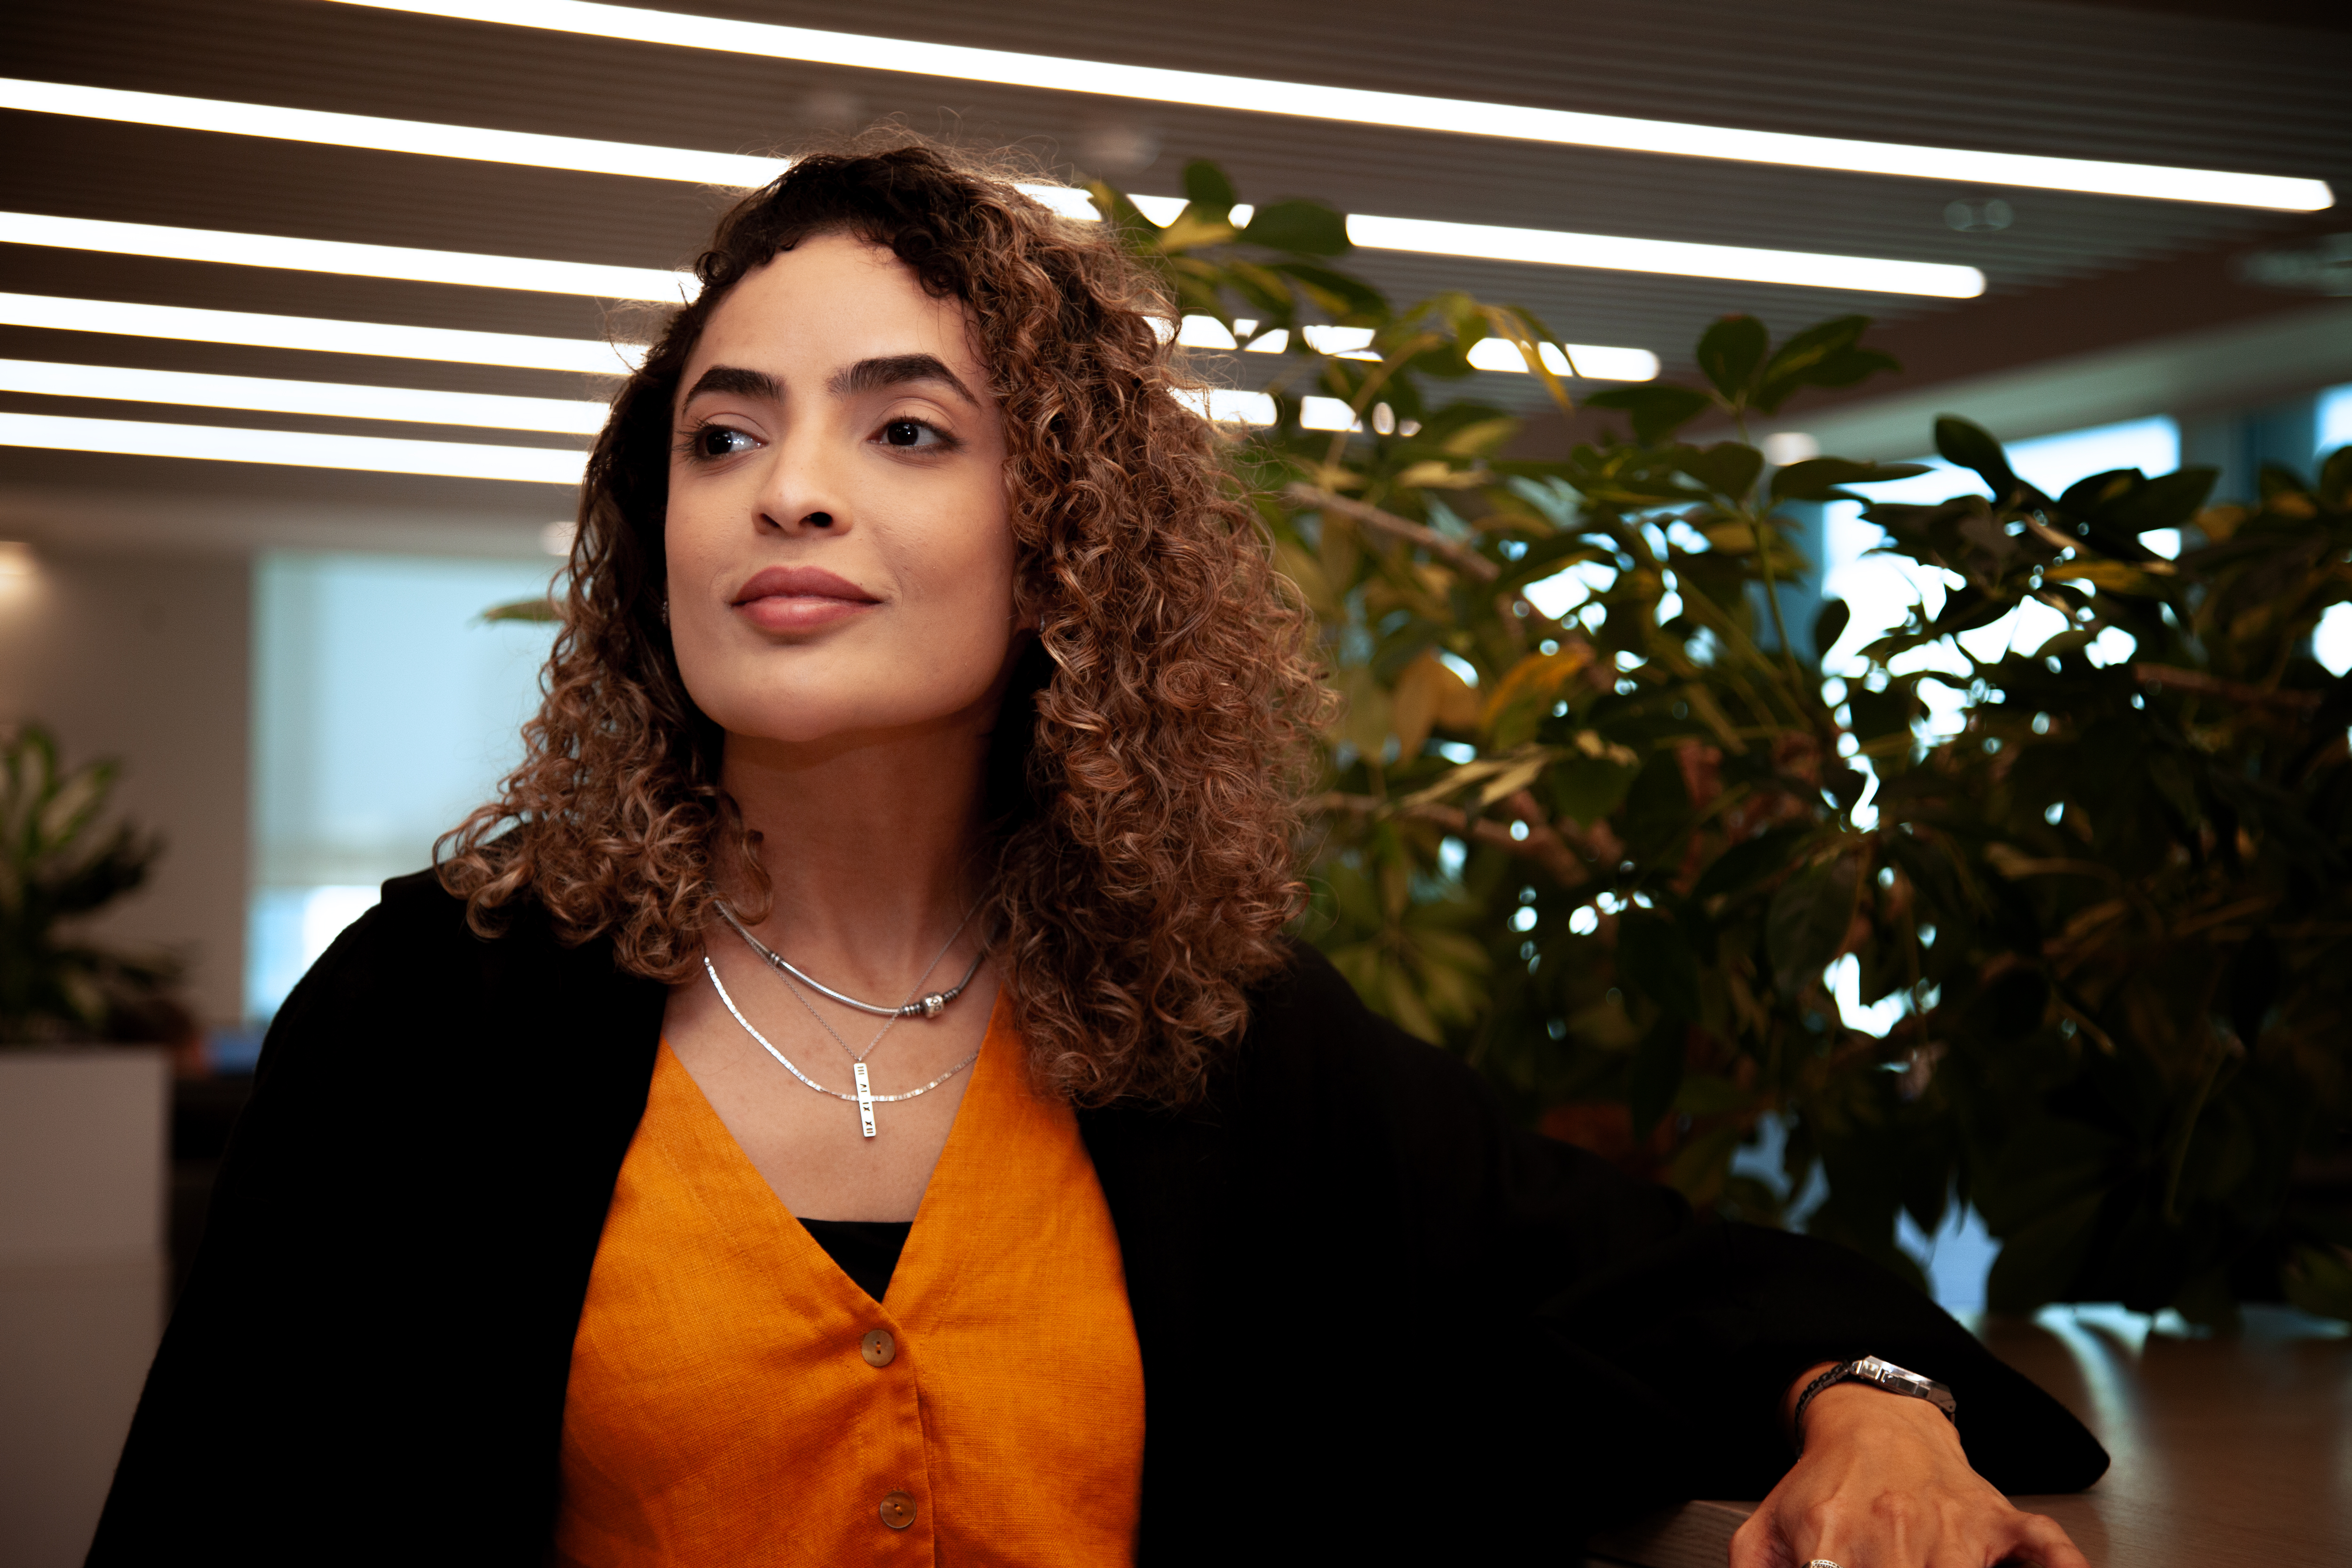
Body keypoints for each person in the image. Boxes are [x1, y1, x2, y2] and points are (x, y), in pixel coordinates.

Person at [90, 141, 2105, 1566]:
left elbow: (1649, 1286)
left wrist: (1872, 1400)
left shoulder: (1221, 1035)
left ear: (1064, 550)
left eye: (903, 431)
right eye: (721, 434)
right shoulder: (438, 1011)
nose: (784, 491)